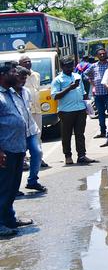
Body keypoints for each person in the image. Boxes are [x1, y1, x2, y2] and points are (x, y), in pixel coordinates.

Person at [0, 63, 33, 237]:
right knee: (3, 188)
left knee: (13, 188)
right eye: (13, 71)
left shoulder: (12, 93)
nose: (17, 73)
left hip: (17, 147)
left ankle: (9, 219)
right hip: (5, 150)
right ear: (3, 75)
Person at [52, 56, 95, 165]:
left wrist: (87, 104)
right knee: (66, 135)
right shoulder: (58, 80)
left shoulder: (77, 76)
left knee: (80, 134)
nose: (70, 68)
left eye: (71, 66)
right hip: (66, 111)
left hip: (80, 109)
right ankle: (68, 156)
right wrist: (69, 88)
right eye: (67, 66)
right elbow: (55, 96)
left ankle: (81, 155)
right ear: (62, 67)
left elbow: (83, 91)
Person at [17, 56, 47, 193]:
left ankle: (32, 180)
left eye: (24, 78)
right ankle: (13, 188)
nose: (23, 81)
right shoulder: (8, 93)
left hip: (31, 128)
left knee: (37, 152)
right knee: (17, 160)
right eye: (21, 78)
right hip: (16, 132)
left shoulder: (26, 92)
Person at [86, 49, 108, 136]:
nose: (102, 55)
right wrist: (91, 81)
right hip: (98, 94)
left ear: (106, 54)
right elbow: (85, 74)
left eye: (103, 54)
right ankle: (102, 132)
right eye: (100, 54)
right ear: (97, 56)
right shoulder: (94, 66)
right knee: (101, 114)